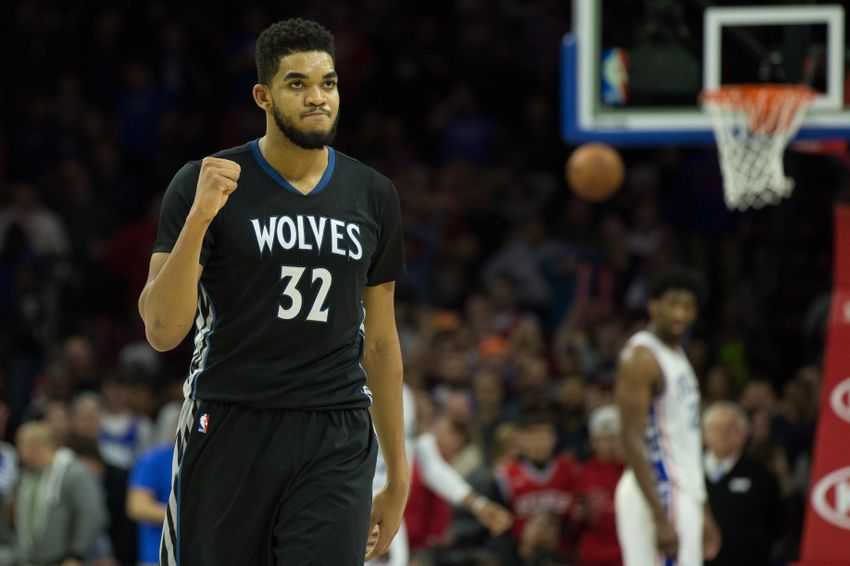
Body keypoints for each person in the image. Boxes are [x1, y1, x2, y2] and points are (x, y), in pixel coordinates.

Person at [137, 18, 408, 566]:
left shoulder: (373, 194)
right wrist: (200, 217)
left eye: (328, 83)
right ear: (263, 96)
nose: (317, 98)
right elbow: (163, 331)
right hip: (230, 420)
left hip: (335, 428)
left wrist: (398, 474)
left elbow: (380, 341)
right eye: (297, 84)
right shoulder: (204, 181)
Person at [613, 266, 721, 566]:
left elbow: (686, 443)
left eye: (688, 307)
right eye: (673, 304)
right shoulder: (641, 357)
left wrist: (702, 509)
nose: (680, 314)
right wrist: (659, 515)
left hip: (682, 490)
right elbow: (630, 438)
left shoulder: (678, 355)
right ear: (653, 306)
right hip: (658, 488)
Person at [14, 421, 108, 566]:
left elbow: (91, 514)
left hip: (65, 560)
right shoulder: (29, 477)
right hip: (34, 560)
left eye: (20, 445)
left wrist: (76, 554)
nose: (18, 451)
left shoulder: (74, 472)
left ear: (34, 445)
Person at [703, 402, 783, 566]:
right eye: (717, 428)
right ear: (703, 433)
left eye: (731, 428)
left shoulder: (760, 474)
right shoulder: (687, 473)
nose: (724, 433)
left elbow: (776, 522)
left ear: (744, 433)